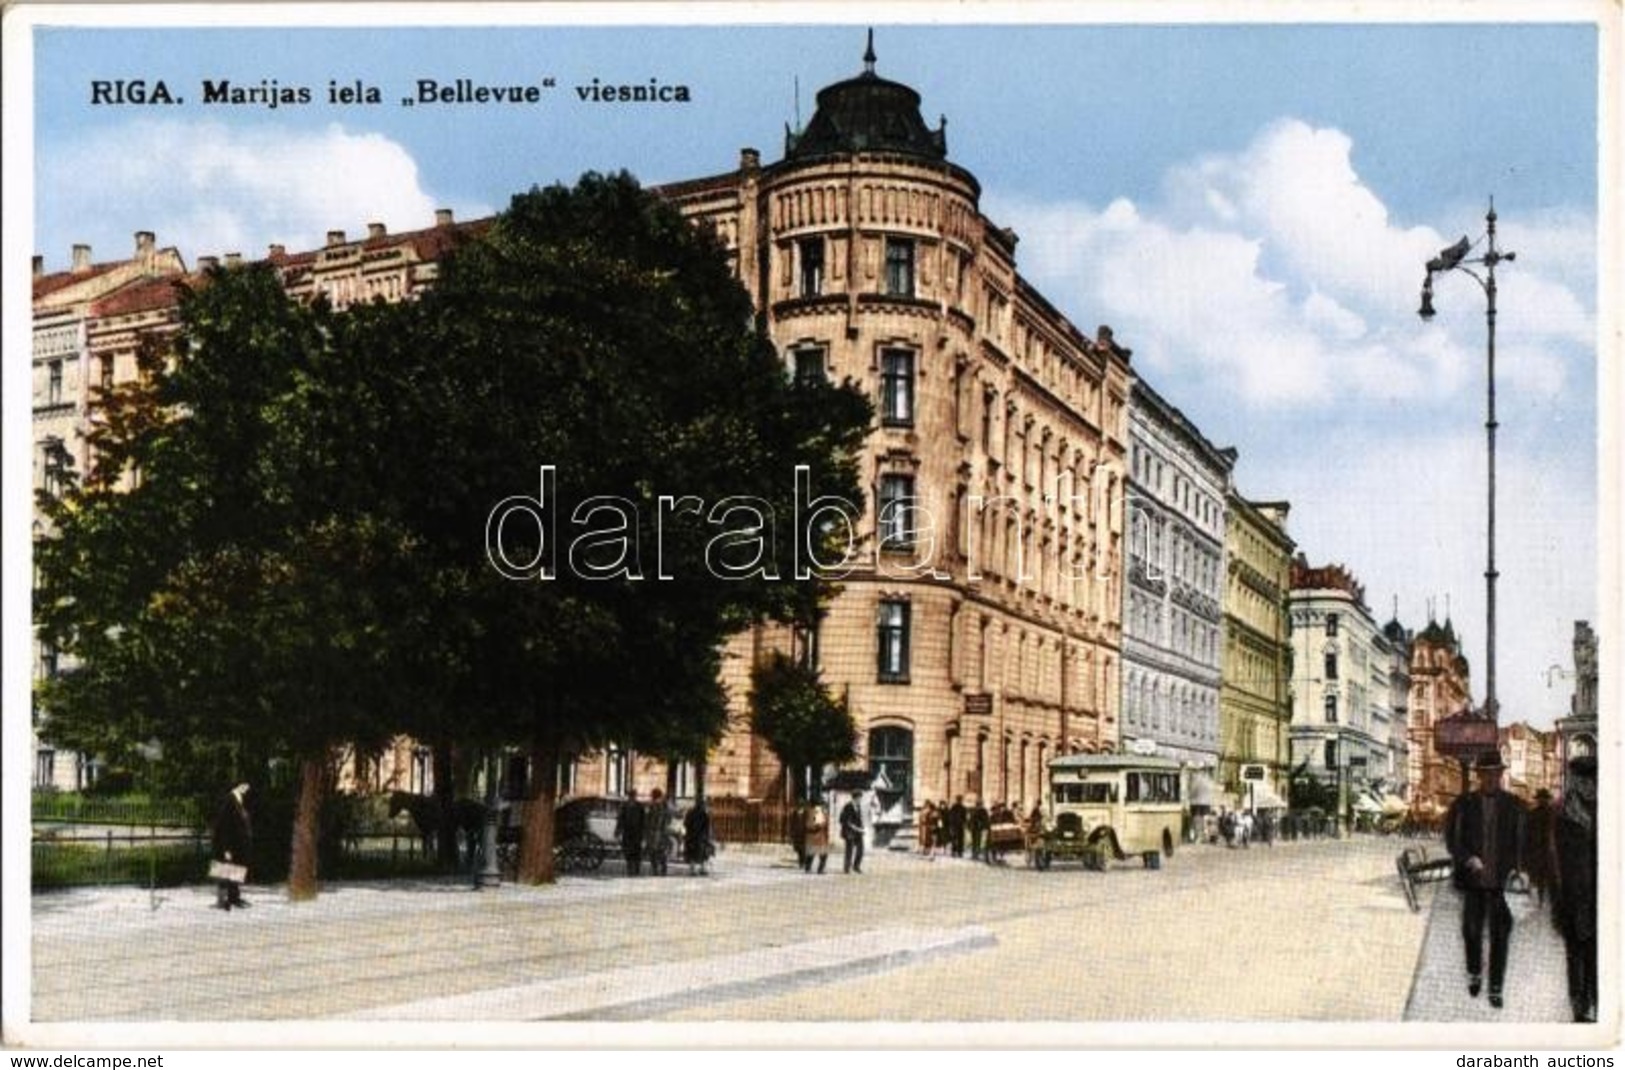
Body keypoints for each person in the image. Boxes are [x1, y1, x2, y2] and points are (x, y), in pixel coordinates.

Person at [1444, 750, 1528, 1009]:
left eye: (1496, 774)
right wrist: (1468, 858)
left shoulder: (1515, 805)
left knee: (1500, 935)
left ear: (1501, 775)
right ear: (1479, 776)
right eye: (1486, 774)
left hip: (1502, 885)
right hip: (1474, 882)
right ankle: (1474, 973)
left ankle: (1495, 988)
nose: (1492, 778)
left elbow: (1522, 843)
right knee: (1471, 932)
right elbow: (1451, 840)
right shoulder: (1463, 804)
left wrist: (1520, 869)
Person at [1551, 755, 1597, 1023]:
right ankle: (1580, 1009)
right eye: (1583, 780)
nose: (1588, 786)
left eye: (1592, 780)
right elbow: (1555, 859)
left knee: (1597, 956)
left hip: (1601, 897)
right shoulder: (1564, 813)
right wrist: (1558, 900)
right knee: (1577, 956)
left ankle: (1594, 1005)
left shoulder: (1608, 809)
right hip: (1573, 898)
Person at [210, 782, 252, 911]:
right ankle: (222, 901)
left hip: (236, 844)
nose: (247, 788)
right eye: (245, 785)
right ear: (237, 786)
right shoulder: (228, 800)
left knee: (235, 871)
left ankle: (234, 898)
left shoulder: (239, 800)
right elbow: (224, 826)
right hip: (227, 843)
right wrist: (226, 848)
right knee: (223, 872)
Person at [615, 788, 645, 876]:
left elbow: (643, 820)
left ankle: (636, 869)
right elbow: (621, 819)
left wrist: (643, 832)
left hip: (636, 832)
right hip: (628, 831)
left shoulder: (639, 806)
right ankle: (630, 867)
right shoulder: (625, 806)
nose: (632, 797)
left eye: (633, 795)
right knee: (628, 850)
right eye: (631, 795)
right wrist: (618, 830)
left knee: (636, 851)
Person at [644, 788, 672, 876]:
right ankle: (663, 869)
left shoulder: (652, 805)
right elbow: (669, 819)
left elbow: (647, 819)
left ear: (654, 796)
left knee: (653, 851)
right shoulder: (665, 805)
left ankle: (655, 869)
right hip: (662, 832)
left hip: (654, 831)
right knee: (661, 851)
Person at [682, 799, 713, 875]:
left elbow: (685, 823)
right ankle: (702, 868)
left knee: (692, 854)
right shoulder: (704, 814)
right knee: (703, 854)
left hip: (691, 836)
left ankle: (693, 869)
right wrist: (707, 836)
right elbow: (707, 826)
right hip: (701, 837)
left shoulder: (690, 813)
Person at [839, 793, 865, 874]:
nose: (860, 800)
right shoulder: (848, 807)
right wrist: (857, 828)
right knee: (849, 850)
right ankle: (846, 868)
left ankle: (856, 866)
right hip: (849, 832)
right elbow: (846, 821)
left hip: (858, 832)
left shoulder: (858, 806)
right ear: (855, 798)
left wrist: (862, 828)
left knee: (860, 849)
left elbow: (858, 819)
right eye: (859, 798)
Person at [803, 801, 830, 874]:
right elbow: (819, 825)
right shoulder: (818, 812)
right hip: (818, 837)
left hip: (811, 837)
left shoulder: (810, 811)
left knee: (811, 854)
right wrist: (825, 822)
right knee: (823, 855)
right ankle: (820, 869)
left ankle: (807, 868)